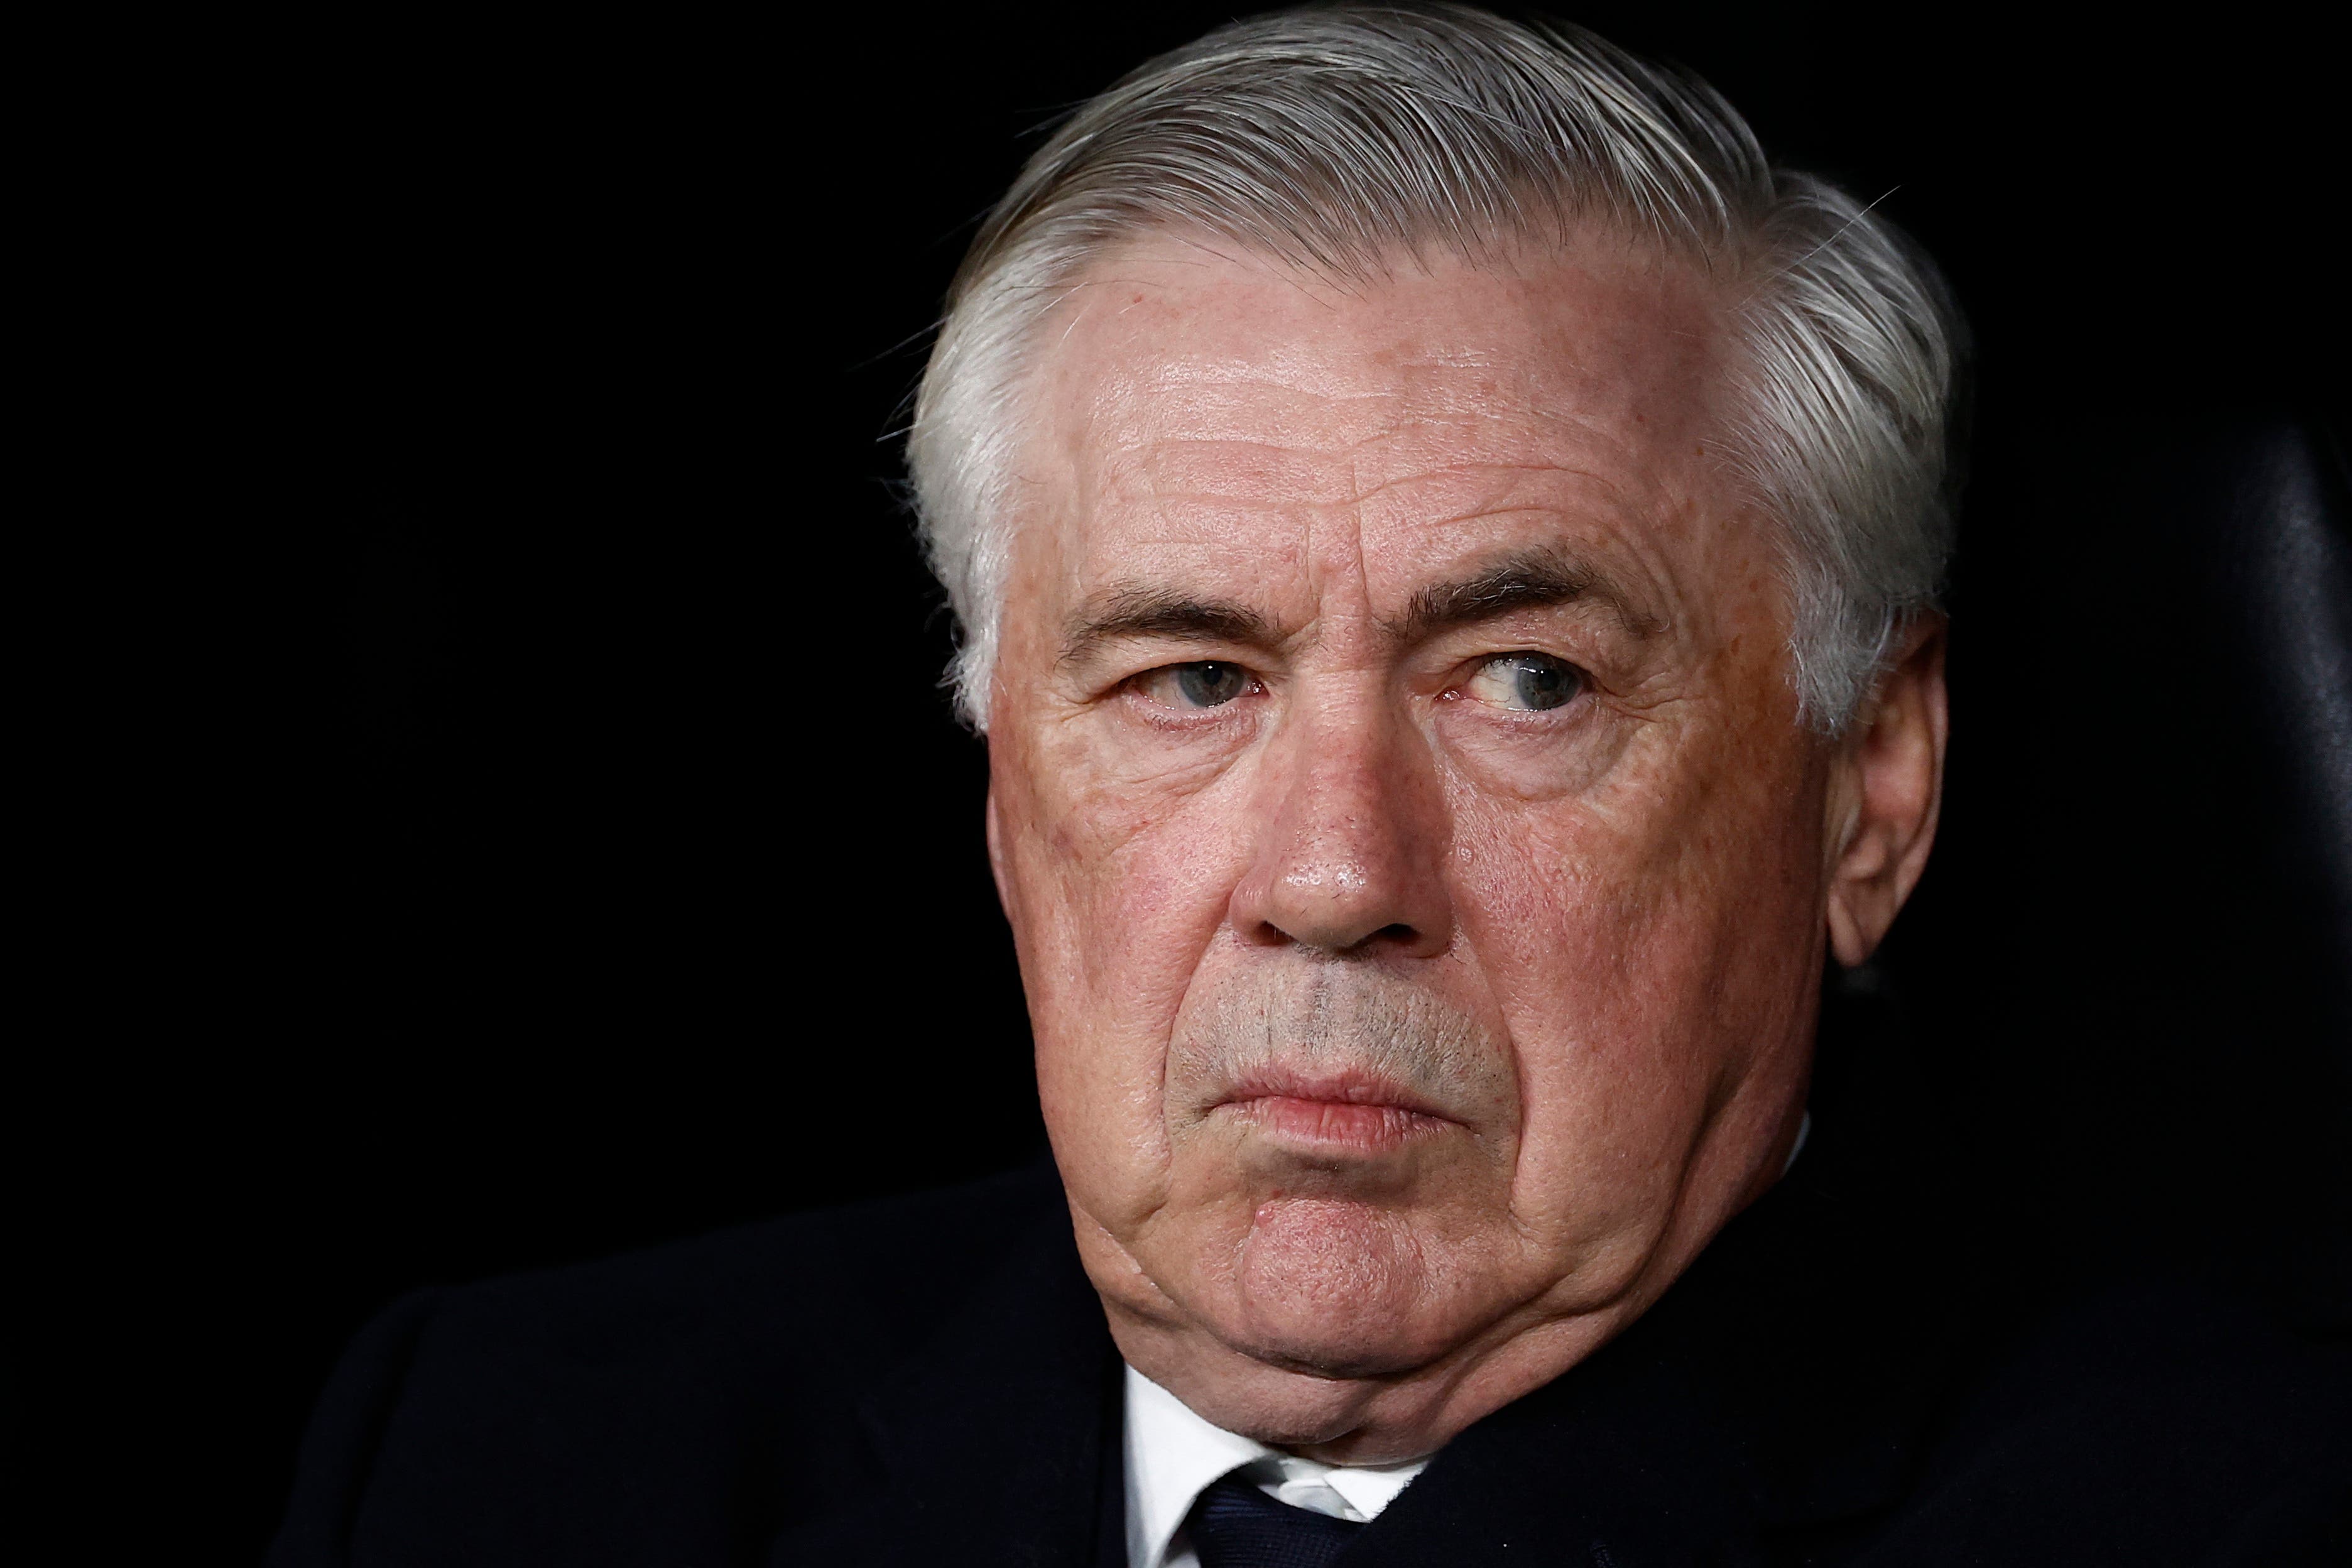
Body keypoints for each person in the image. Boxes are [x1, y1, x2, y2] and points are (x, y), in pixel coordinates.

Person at [270, 6, 2349, 1563]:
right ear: (1006, 789)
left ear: (1869, 789)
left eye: (1528, 682)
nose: (1339, 874)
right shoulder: (502, 1454)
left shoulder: (2242, 1511)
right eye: (1192, 679)